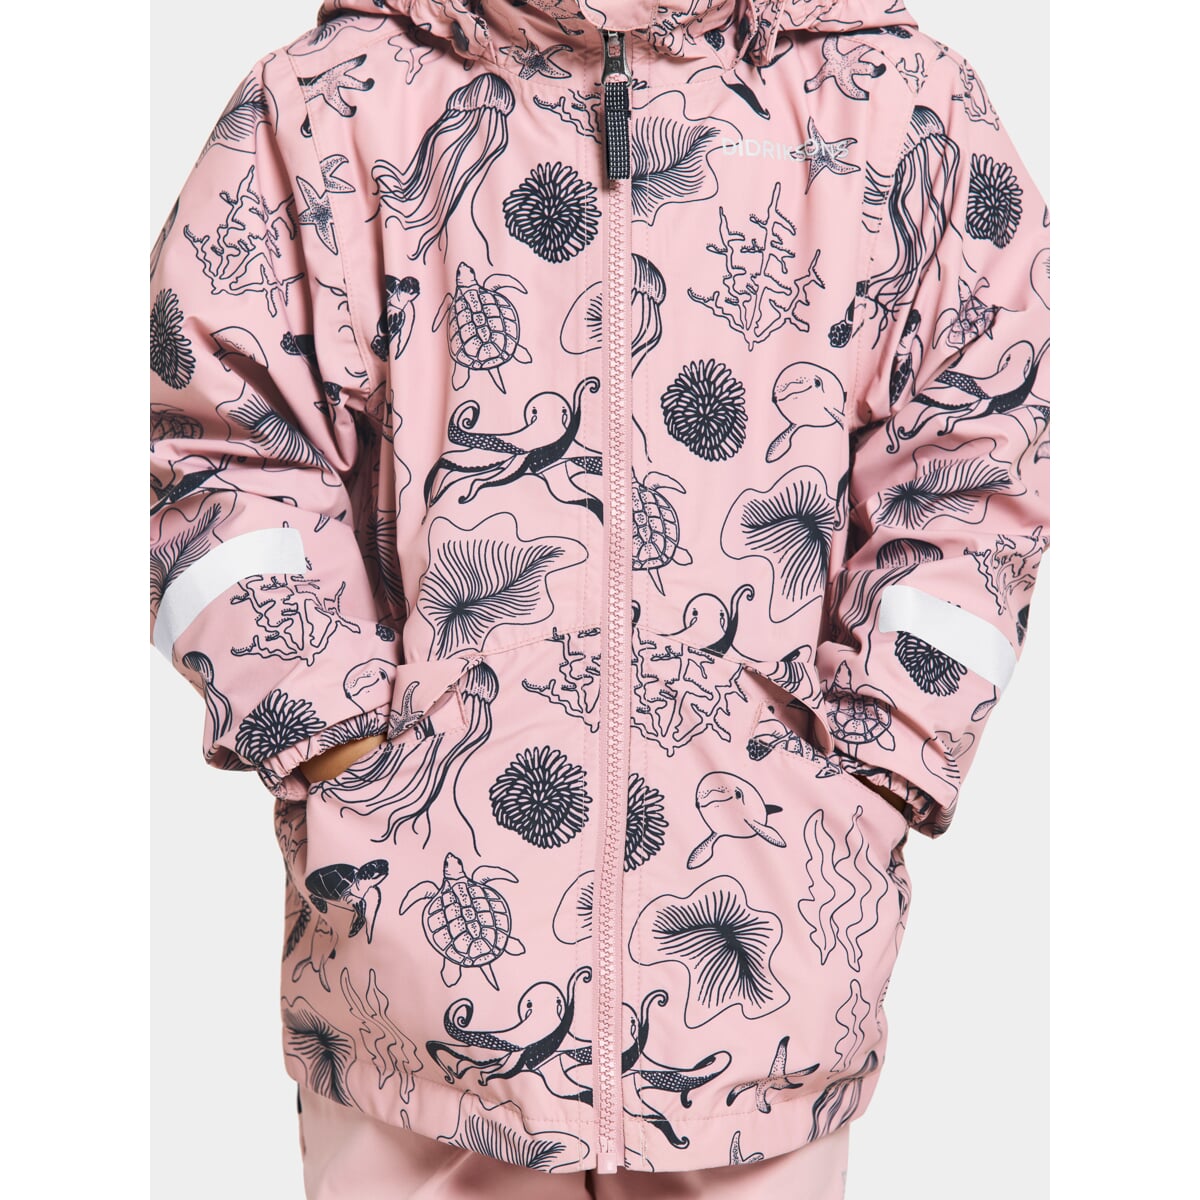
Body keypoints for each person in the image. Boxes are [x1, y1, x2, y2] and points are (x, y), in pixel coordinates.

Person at [150, 1, 1050, 1195]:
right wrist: (340, 751)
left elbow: (976, 475)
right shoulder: (330, 105)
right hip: (407, 1006)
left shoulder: (903, 109)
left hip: (765, 988)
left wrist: (869, 776)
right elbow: (216, 453)